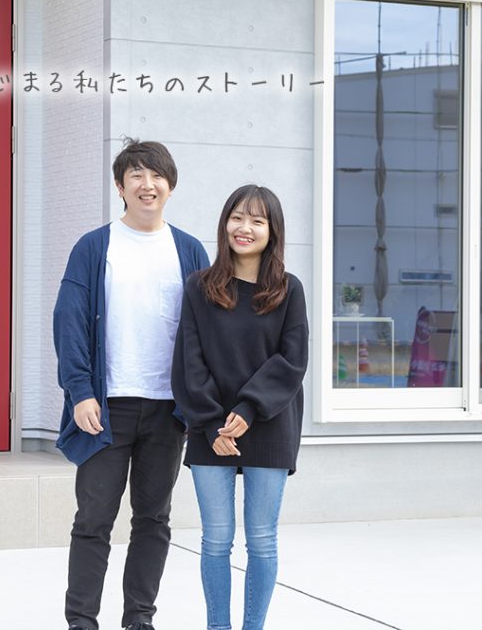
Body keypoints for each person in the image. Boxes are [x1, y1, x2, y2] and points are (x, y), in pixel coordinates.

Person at [53, 139, 210, 630]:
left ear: (171, 186)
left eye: (157, 175)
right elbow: (69, 322)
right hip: (107, 408)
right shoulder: (94, 247)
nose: (148, 184)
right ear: (120, 186)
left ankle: (139, 618)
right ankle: (81, 621)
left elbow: (205, 332)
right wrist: (80, 392)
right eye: (136, 175)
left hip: (167, 410)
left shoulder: (189, 250)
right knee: (93, 519)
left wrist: (200, 401)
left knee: (153, 519)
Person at [172, 185, 309, 630]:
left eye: (257, 220)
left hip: (269, 423)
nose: (244, 228)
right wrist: (212, 423)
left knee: (263, 541)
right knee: (215, 540)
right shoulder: (199, 288)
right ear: (224, 223)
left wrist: (249, 409)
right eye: (237, 217)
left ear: (273, 231)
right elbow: (189, 361)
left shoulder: (288, 290)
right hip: (210, 426)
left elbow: (292, 361)